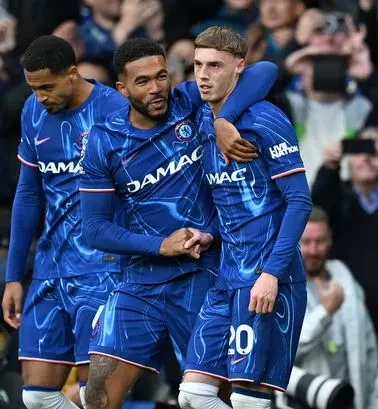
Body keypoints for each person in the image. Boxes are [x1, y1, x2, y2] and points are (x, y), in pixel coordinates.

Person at [78, 37, 278, 409]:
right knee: (98, 396)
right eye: (142, 81)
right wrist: (159, 245)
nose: (156, 88)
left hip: (204, 274)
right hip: (140, 281)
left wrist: (225, 119)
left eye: (161, 76)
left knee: (211, 397)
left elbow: (265, 71)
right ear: (122, 89)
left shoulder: (188, 101)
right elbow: (94, 229)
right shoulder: (104, 141)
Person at [179, 26, 312, 409]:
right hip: (226, 277)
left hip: (267, 278)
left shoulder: (265, 120)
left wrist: (271, 274)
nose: (203, 75)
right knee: (193, 396)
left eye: (215, 66)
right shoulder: (202, 121)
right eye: (198, 65)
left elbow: (299, 201)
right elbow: (235, 200)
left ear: (239, 66)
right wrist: (210, 233)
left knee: (248, 401)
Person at [1, 35, 127, 409]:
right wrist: (13, 276)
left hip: (103, 268)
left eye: (47, 87)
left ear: (72, 74)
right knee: (36, 397)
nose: (40, 96)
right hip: (51, 267)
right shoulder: (33, 111)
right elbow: (28, 194)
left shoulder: (114, 109)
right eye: (33, 88)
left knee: (96, 396)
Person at [295, 206, 378, 409]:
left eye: (320, 241)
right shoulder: (282, 285)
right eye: (306, 242)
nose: (313, 250)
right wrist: (325, 312)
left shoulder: (343, 275)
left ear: (330, 240)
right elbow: (285, 351)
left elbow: (369, 351)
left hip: (352, 401)